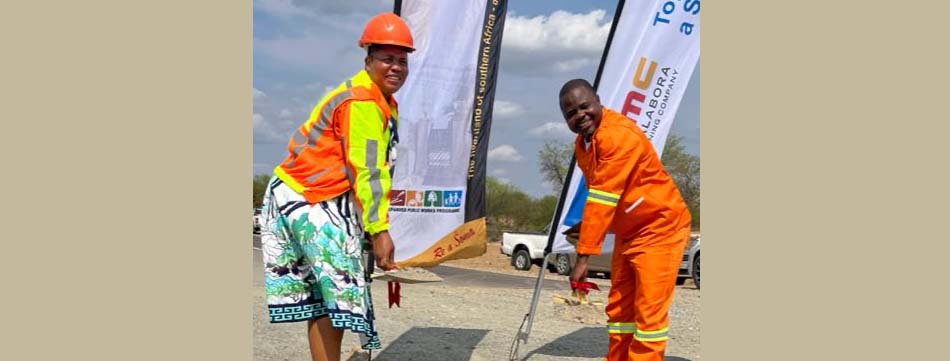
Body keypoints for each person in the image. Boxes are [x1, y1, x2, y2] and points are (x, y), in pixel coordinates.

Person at [259, 12, 414, 361]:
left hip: (306, 195)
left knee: (327, 301)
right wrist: (379, 230)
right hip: (309, 197)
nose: (396, 67)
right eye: (387, 59)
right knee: (340, 296)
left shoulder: (381, 101)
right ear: (368, 59)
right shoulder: (362, 103)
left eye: (402, 61)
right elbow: (369, 169)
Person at [558, 79, 692, 361]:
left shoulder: (617, 136)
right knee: (620, 310)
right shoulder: (583, 144)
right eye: (571, 113)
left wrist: (584, 258)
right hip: (629, 232)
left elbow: (604, 197)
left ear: (598, 102)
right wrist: (585, 228)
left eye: (585, 107)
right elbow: (602, 192)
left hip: (660, 227)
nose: (580, 115)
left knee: (648, 317)